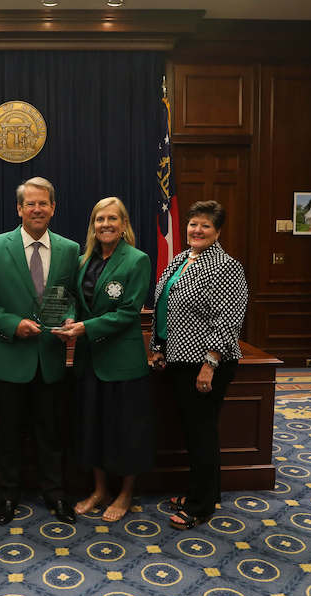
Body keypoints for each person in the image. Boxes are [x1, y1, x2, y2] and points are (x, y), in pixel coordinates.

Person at [0, 176, 80, 525]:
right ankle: (8, 496)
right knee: (8, 435)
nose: (36, 209)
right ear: (19, 208)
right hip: (9, 357)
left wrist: (70, 320)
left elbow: (71, 297)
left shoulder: (70, 249)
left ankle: (55, 494)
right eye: (29, 203)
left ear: (53, 208)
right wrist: (10, 324)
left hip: (49, 358)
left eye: (42, 203)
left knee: (51, 434)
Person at [149, 200, 248, 530]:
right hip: (179, 358)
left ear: (218, 231)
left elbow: (228, 319)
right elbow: (165, 307)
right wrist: (159, 347)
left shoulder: (225, 266)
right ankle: (205, 492)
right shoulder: (180, 259)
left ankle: (200, 506)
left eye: (205, 225)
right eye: (193, 224)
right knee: (196, 432)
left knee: (201, 433)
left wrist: (210, 362)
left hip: (206, 363)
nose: (197, 230)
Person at [54, 197, 153, 523]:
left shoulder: (137, 260)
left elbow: (128, 313)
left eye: (112, 218)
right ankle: (100, 490)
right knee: (92, 428)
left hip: (122, 363)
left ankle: (125, 493)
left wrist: (85, 328)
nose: (105, 224)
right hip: (89, 361)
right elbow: (72, 300)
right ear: (93, 225)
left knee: (125, 431)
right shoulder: (84, 261)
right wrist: (70, 319)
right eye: (99, 219)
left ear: (124, 224)